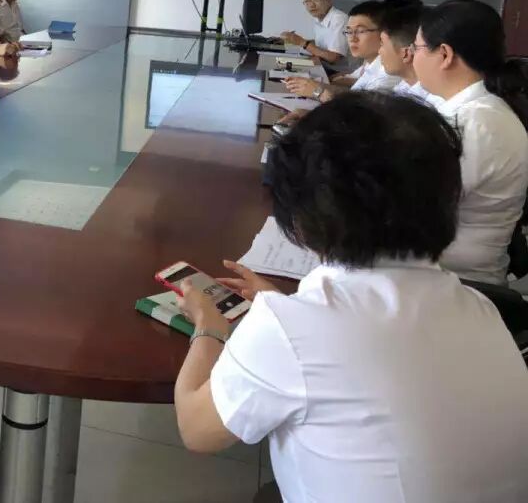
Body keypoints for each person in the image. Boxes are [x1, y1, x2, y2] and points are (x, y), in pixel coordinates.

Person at [174, 92, 528, 503]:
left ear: (302, 220)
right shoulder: (482, 310)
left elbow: (196, 429)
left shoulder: (288, 331)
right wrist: (286, 308)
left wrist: (209, 328)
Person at [414, 0, 528, 285]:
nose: (411, 58)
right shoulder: (471, 110)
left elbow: (409, 206)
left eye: (416, 48)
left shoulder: (475, 123)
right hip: (435, 272)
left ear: (444, 55)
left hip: (457, 283)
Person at [284, 0, 400, 102]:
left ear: (384, 34)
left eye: (360, 31)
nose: (352, 38)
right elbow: (354, 89)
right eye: (349, 31)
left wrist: (318, 91)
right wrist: (311, 85)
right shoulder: (370, 63)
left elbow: (361, 111)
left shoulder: (389, 71)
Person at [280, 0, 349, 67]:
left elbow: (334, 58)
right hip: (322, 65)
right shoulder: (319, 18)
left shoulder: (339, 19)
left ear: (329, 0)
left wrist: (302, 42)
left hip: (336, 72)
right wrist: (292, 40)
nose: (311, 5)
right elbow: (322, 45)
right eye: (307, 0)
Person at [377, 3, 432, 103]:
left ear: (406, 54)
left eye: (382, 44)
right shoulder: (403, 87)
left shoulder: (428, 102)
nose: (379, 51)